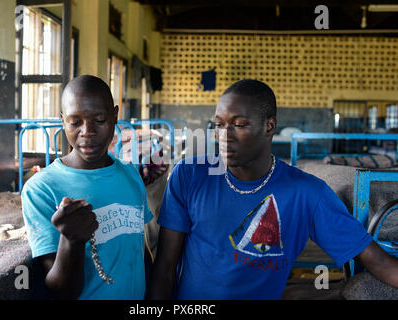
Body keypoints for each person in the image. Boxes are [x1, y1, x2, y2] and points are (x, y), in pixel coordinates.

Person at [146, 79, 398, 300]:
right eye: (219, 125)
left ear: (269, 126)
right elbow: (166, 265)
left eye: (239, 124)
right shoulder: (190, 175)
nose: (225, 135)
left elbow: (377, 260)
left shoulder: (307, 193)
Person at [21, 75, 152, 300]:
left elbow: (141, 249)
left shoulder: (130, 175)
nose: (87, 131)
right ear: (63, 121)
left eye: (99, 120)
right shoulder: (41, 189)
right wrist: (71, 240)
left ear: (115, 116)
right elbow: (61, 291)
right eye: (75, 122)